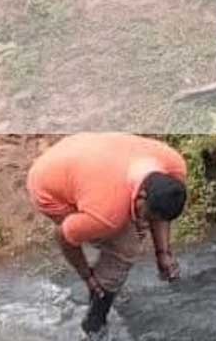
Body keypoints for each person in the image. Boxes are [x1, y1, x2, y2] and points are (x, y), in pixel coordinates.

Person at [26, 133, 188, 337]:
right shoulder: (108, 214)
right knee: (125, 246)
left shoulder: (173, 166)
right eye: (147, 215)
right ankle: (95, 322)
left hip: (81, 150)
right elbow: (63, 236)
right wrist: (87, 276)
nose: (146, 223)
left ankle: (104, 286)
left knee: (132, 230)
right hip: (47, 185)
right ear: (142, 195)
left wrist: (163, 253)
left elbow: (161, 214)